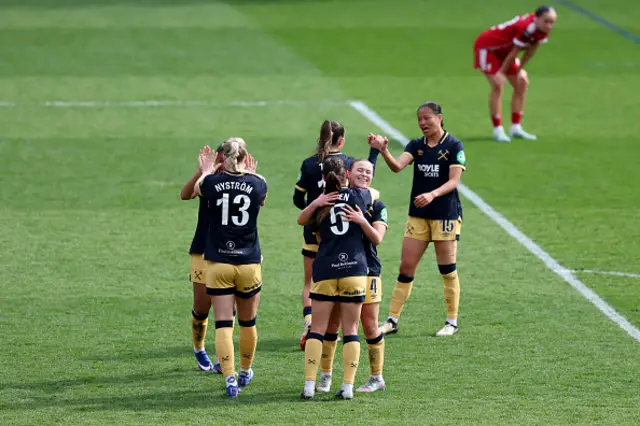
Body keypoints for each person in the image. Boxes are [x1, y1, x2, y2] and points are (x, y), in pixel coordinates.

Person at [370, 101, 466, 337]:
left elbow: (454, 181)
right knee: (406, 267)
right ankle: (392, 320)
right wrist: (383, 150)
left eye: (427, 118)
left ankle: (451, 321)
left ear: (439, 118)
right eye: (419, 119)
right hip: (419, 216)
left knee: (447, 269)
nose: (422, 123)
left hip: (445, 215)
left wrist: (432, 194)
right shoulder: (416, 145)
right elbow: (397, 167)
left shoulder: (454, 145)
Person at [293, 120, 378, 350]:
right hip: (344, 237)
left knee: (311, 282)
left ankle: (310, 324)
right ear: (341, 140)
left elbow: (297, 200)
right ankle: (335, 328)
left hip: (315, 230)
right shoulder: (349, 163)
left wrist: (314, 211)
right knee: (341, 279)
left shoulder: (309, 164)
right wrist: (374, 153)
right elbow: (365, 186)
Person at [297, 156, 375, 400]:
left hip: (326, 270)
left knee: (318, 331)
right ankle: (348, 387)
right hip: (354, 270)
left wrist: (316, 201)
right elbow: (374, 192)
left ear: (323, 179)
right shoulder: (359, 197)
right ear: (348, 176)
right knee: (351, 330)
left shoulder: (321, 203)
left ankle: (310, 385)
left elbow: (302, 220)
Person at [194, 138, 266, 398]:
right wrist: (252, 174)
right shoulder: (260, 183)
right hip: (248, 263)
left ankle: (230, 380)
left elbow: (196, 189)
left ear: (222, 159)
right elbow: (261, 201)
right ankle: (246, 371)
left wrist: (205, 170)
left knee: (224, 325)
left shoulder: (211, 182)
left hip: (219, 264)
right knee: (248, 323)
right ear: (246, 158)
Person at [317, 159, 388, 394]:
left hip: (369, 271)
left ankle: (376, 377)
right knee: (333, 324)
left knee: (368, 325)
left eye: (369, 172)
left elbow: (377, 238)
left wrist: (361, 221)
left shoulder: (377, 205)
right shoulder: (338, 199)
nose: (365, 175)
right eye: (360, 171)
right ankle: (325, 376)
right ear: (349, 173)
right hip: (342, 270)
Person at [473, 5, 558, 142]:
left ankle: (516, 127)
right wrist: (501, 72)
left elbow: (531, 50)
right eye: (546, 21)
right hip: (488, 48)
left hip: (506, 51)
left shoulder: (542, 28)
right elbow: (516, 51)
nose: (549, 25)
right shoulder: (526, 28)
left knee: (522, 83)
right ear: (537, 18)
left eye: (552, 22)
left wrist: (519, 70)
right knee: (498, 84)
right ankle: (498, 130)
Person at [180, 144, 222, 373]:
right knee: (202, 307)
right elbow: (186, 195)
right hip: (203, 249)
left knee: (227, 308)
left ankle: (222, 356)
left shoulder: (244, 183)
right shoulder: (208, 180)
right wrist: (201, 171)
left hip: (229, 253)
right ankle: (199, 348)